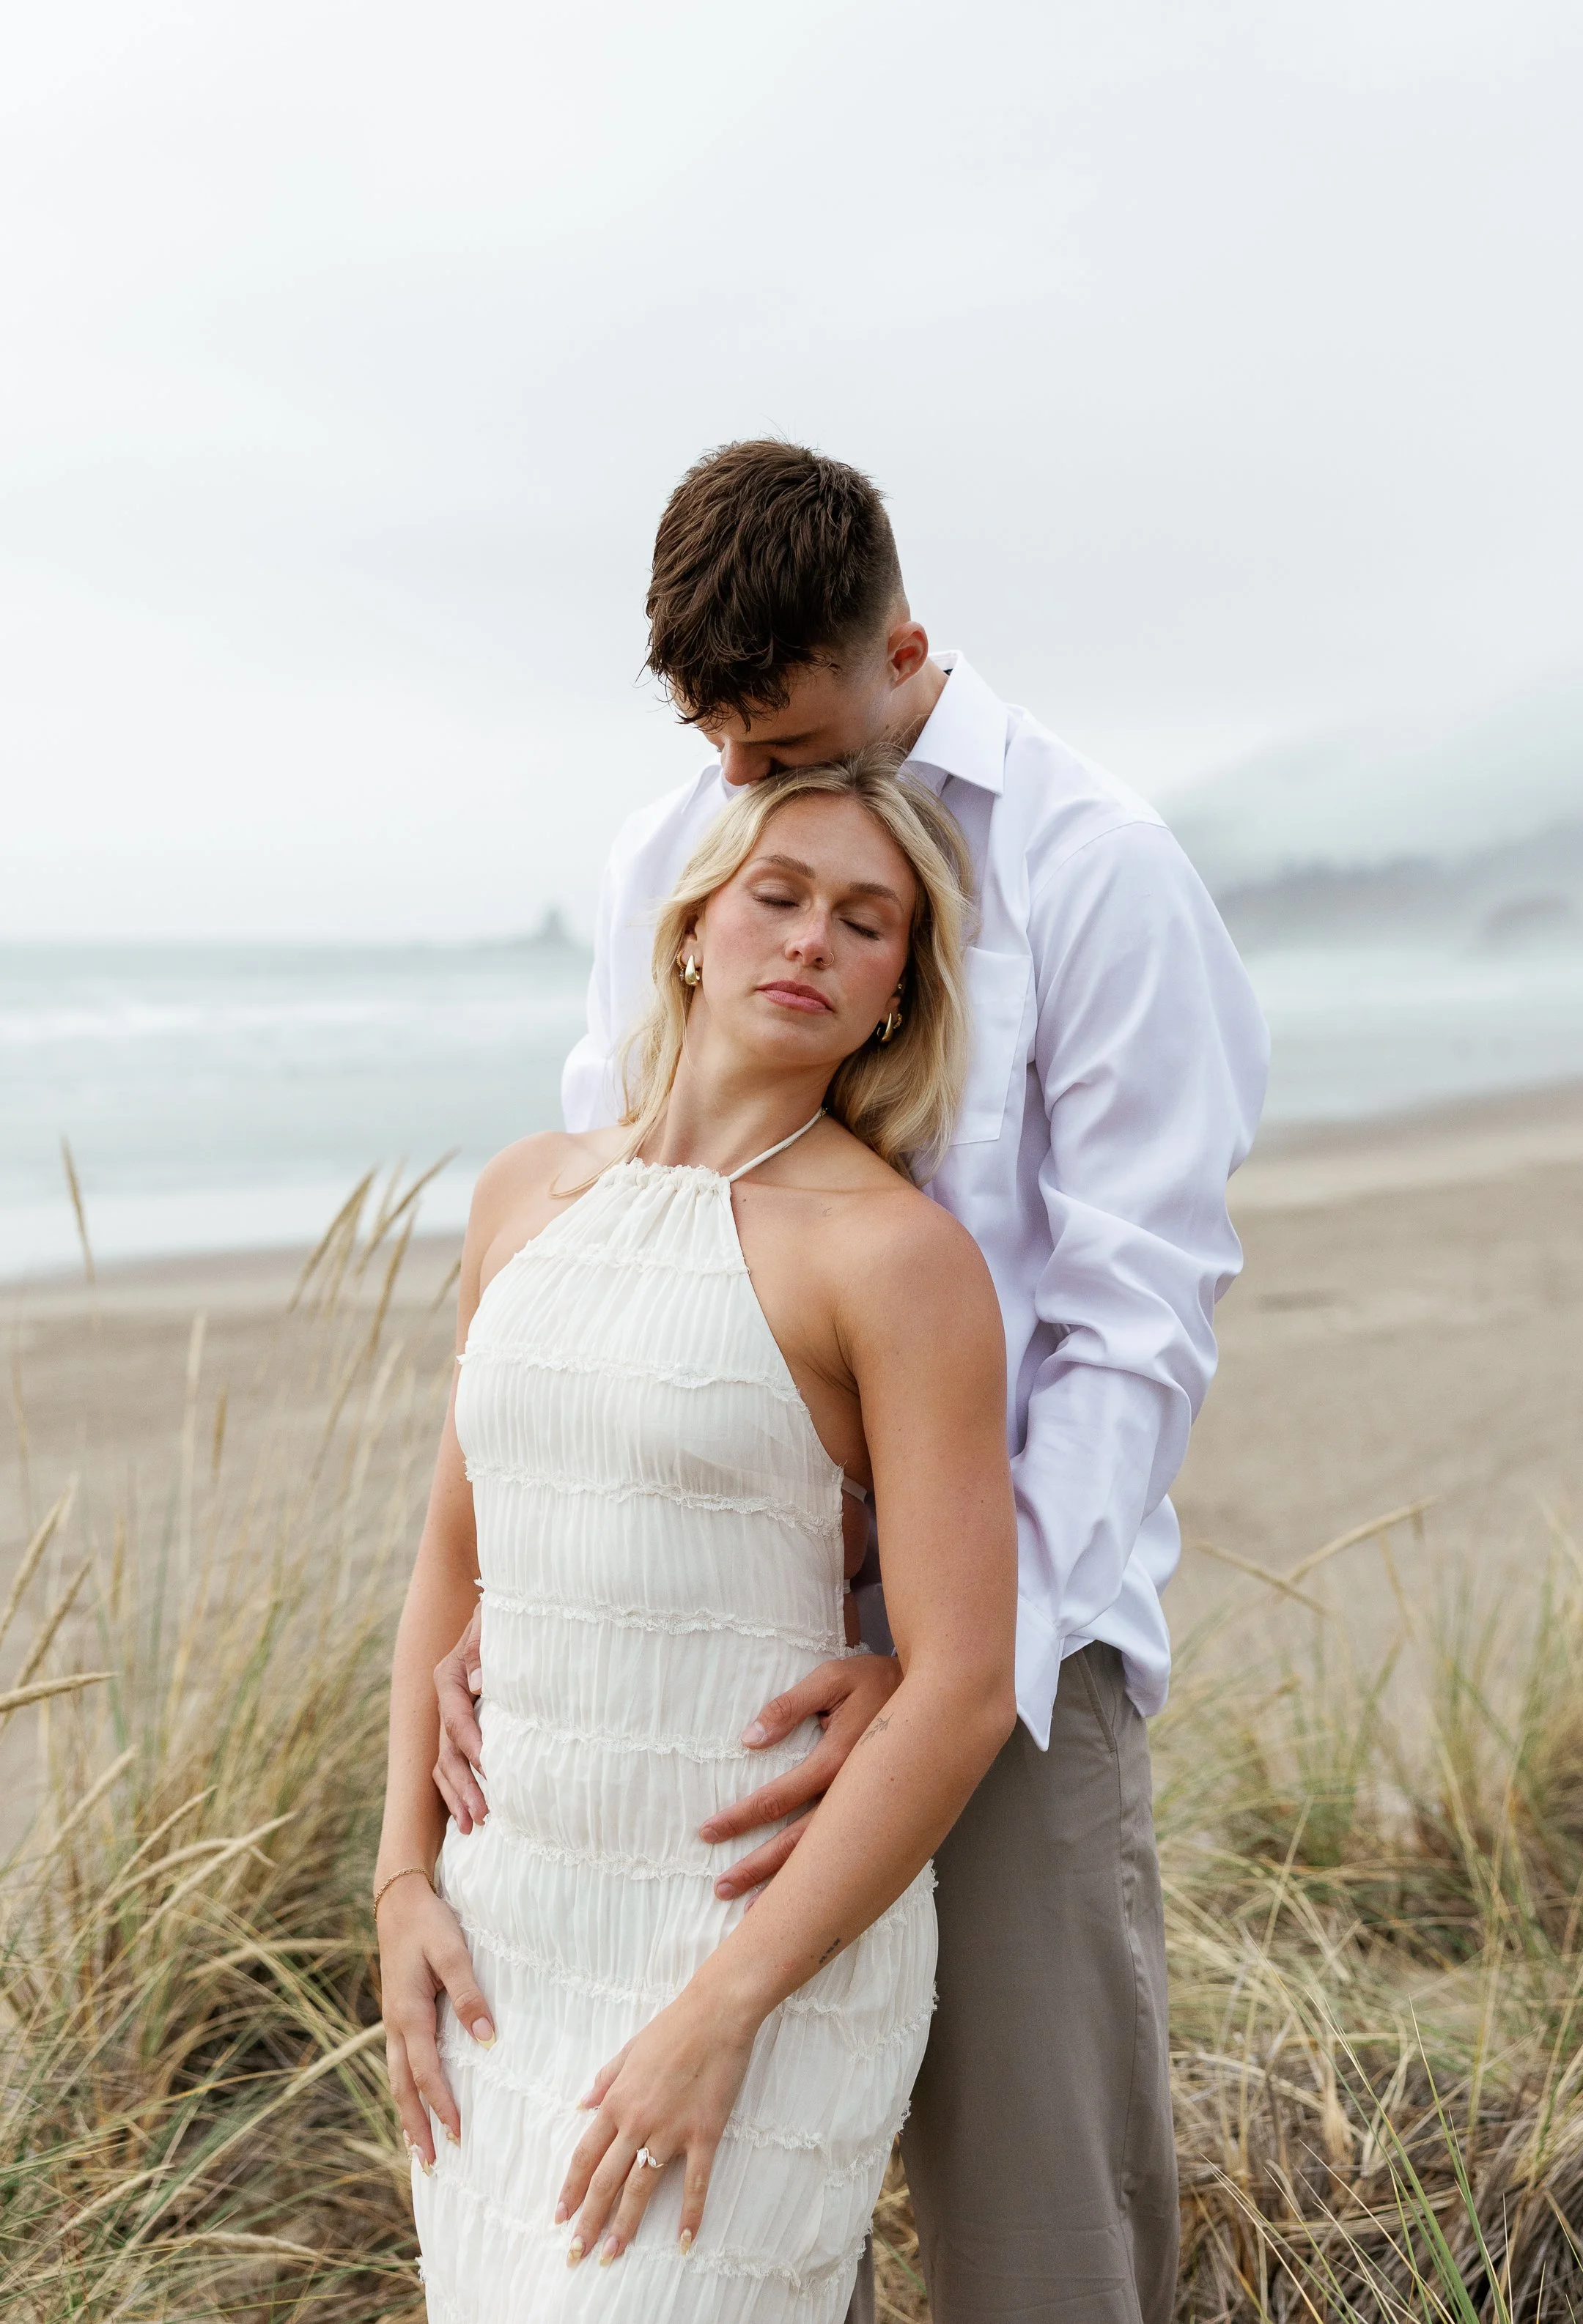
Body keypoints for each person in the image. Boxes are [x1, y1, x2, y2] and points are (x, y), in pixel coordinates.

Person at [433, 441, 1269, 2324]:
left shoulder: (1095, 866)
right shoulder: (683, 844)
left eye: (782, 729)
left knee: (1033, 2244)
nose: (741, 780)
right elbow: (608, 1225)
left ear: (902, 647)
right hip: (689, 1684)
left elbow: (1135, 1317)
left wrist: (953, 1652)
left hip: (1009, 1668)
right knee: (666, 2232)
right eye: (716, 740)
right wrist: (508, 1592)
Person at [374, 751, 1019, 2322]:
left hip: (746, 1949)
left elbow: (962, 1684)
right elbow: (452, 1564)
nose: (811, 940)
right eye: (778, 895)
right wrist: (402, 1878)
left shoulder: (898, 1258)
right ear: (689, 929)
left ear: (895, 996)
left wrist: (727, 2005)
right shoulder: (524, 1196)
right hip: (509, 1936)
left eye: (866, 924)